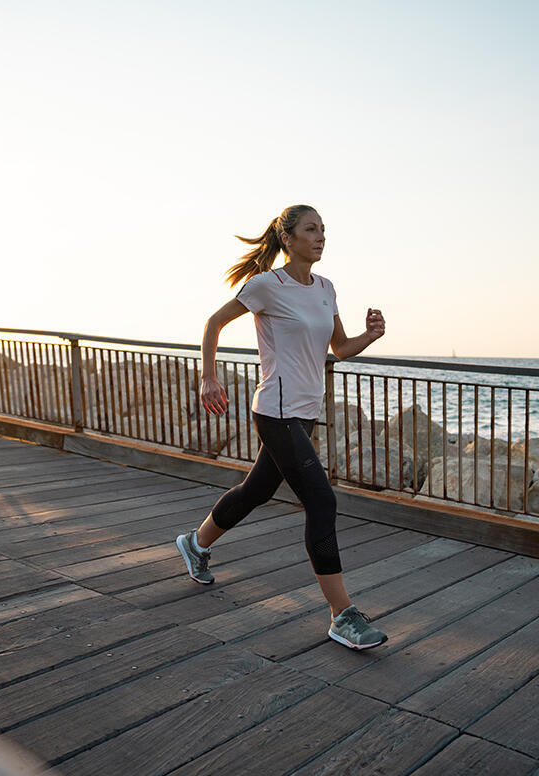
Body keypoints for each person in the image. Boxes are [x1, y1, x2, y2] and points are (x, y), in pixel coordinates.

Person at [175, 204, 389, 650]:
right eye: (311, 229)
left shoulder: (326, 288)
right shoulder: (267, 286)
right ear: (287, 238)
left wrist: (370, 337)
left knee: (256, 490)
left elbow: (340, 348)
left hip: (305, 409)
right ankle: (342, 615)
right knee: (321, 500)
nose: (321, 236)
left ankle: (195, 544)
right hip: (275, 409)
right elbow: (214, 322)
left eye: (324, 230)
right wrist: (208, 376)